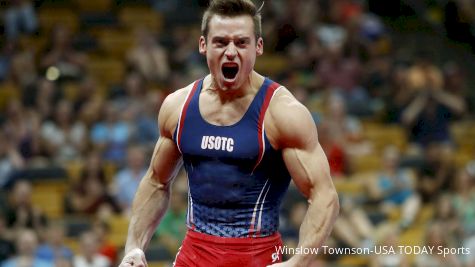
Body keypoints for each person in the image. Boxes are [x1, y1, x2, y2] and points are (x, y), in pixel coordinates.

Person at [118, 1, 339, 266]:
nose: (231, 52)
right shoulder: (178, 107)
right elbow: (156, 182)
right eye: (221, 42)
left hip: (258, 257)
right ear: (203, 45)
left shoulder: (282, 113)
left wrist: (298, 262)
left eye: (241, 43)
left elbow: (324, 195)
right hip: (193, 256)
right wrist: (134, 246)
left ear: (258, 47)